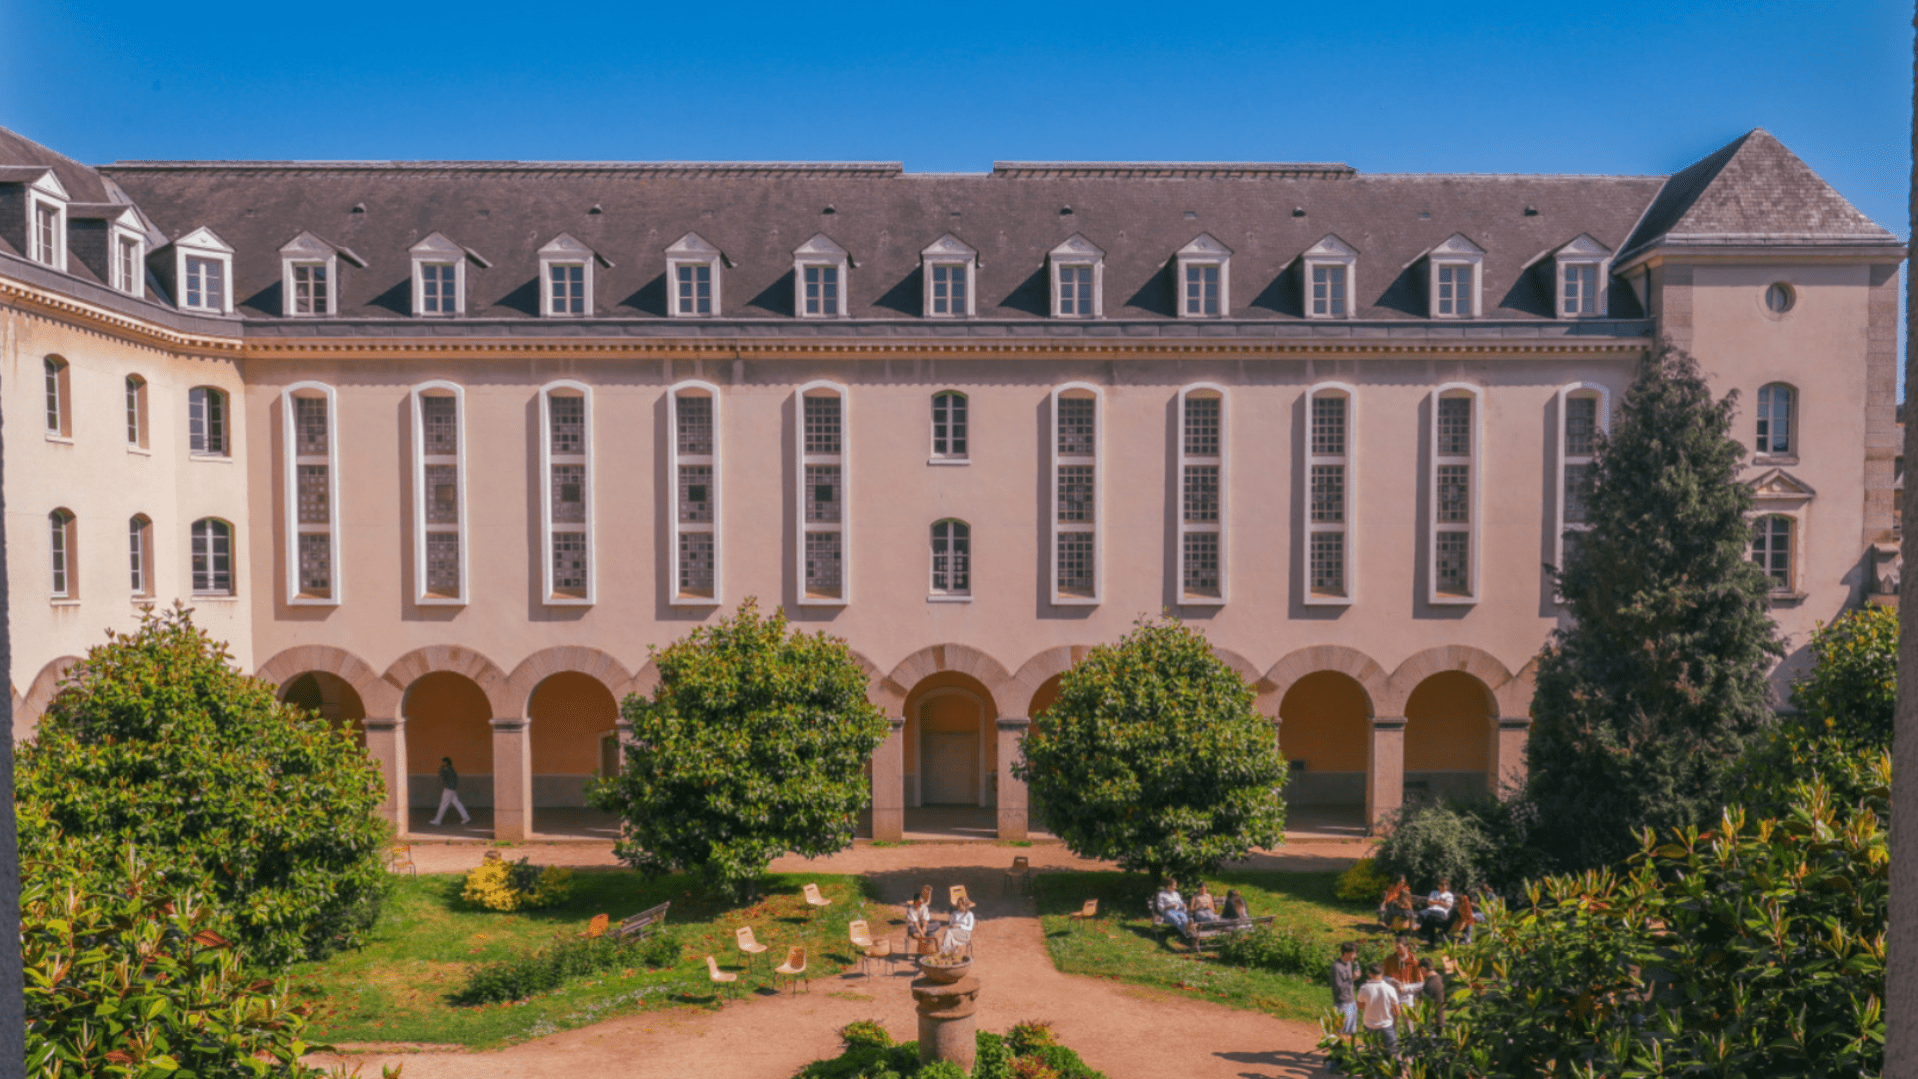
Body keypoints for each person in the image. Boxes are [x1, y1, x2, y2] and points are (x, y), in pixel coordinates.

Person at [1355, 963, 1400, 1056]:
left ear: (1370, 974)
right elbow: (1397, 1011)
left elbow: (1359, 1007)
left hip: (1369, 1025)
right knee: (1393, 1054)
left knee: (1373, 1054)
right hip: (1386, 1026)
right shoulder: (1390, 989)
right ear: (1382, 973)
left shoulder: (1364, 988)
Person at [1330, 942, 1360, 1036]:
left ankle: (1350, 1050)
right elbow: (1338, 988)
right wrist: (1352, 979)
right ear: (1347, 953)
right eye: (1354, 953)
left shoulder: (1349, 964)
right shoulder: (1336, 967)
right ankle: (1337, 1049)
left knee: (1350, 1031)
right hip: (1342, 1004)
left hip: (1351, 1001)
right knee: (1340, 1031)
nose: (1356, 955)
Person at [431, 756, 471, 826]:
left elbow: (441, 776)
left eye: (443, 762)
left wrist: (441, 769)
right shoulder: (451, 769)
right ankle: (466, 817)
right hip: (452, 789)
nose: (441, 763)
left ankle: (437, 820)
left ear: (445, 762)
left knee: (443, 805)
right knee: (457, 803)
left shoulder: (446, 769)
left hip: (448, 789)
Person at [1418, 877, 1457, 945]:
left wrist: (1435, 902)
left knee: (1430, 918)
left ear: (1448, 886)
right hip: (1430, 910)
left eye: (1445, 884)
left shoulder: (1449, 895)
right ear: (1438, 885)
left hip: (1441, 912)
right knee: (1421, 914)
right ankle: (1424, 935)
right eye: (1441, 884)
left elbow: (1448, 905)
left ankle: (1425, 937)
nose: (1443, 886)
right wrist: (1441, 902)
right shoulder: (1434, 893)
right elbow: (1429, 902)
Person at [1417, 957, 1446, 1032]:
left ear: (1423, 969)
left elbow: (1423, 1007)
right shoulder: (1440, 978)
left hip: (1432, 1024)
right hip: (1441, 1020)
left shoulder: (1429, 985)